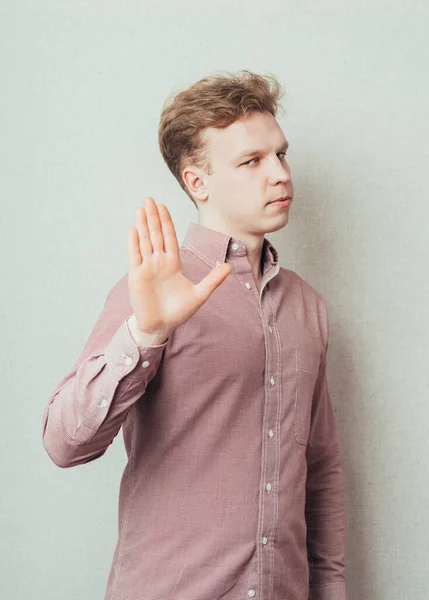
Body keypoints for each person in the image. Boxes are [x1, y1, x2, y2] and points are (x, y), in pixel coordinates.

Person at [42, 70, 347, 600]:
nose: (279, 174)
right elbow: (64, 443)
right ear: (196, 182)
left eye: (281, 155)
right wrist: (146, 333)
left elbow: (319, 469)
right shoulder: (154, 289)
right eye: (251, 162)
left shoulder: (307, 307)